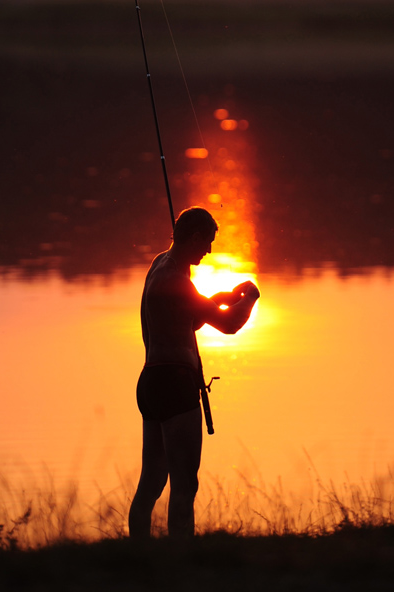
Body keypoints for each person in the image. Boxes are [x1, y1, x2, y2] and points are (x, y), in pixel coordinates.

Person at [128, 206, 260, 539]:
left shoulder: (159, 265)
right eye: (208, 242)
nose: (210, 250)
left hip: (150, 382)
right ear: (196, 236)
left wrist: (219, 297)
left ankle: (136, 553)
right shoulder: (177, 280)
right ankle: (181, 560)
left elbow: (188, 316)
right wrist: (251, 298)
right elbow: (229, 325)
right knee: (185, 482)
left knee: (152, 480)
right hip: (176, 383)